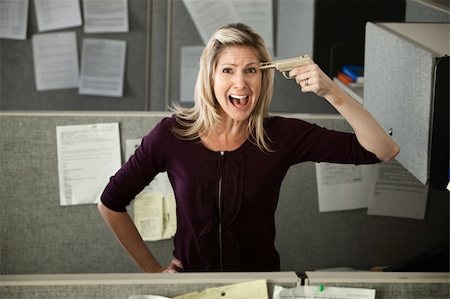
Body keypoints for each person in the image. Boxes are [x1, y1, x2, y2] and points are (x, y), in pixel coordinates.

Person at [98, 23, 399, 273]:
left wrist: (332, 92)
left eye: (251, 70)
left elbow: (382, 150)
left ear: (264, 77)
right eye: (228, 70)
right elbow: (110, 204)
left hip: (258, 288)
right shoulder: (172, 134)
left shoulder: (280, 135)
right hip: (191, 289)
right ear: (210, 76)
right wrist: (153, 272)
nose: (240, 83)